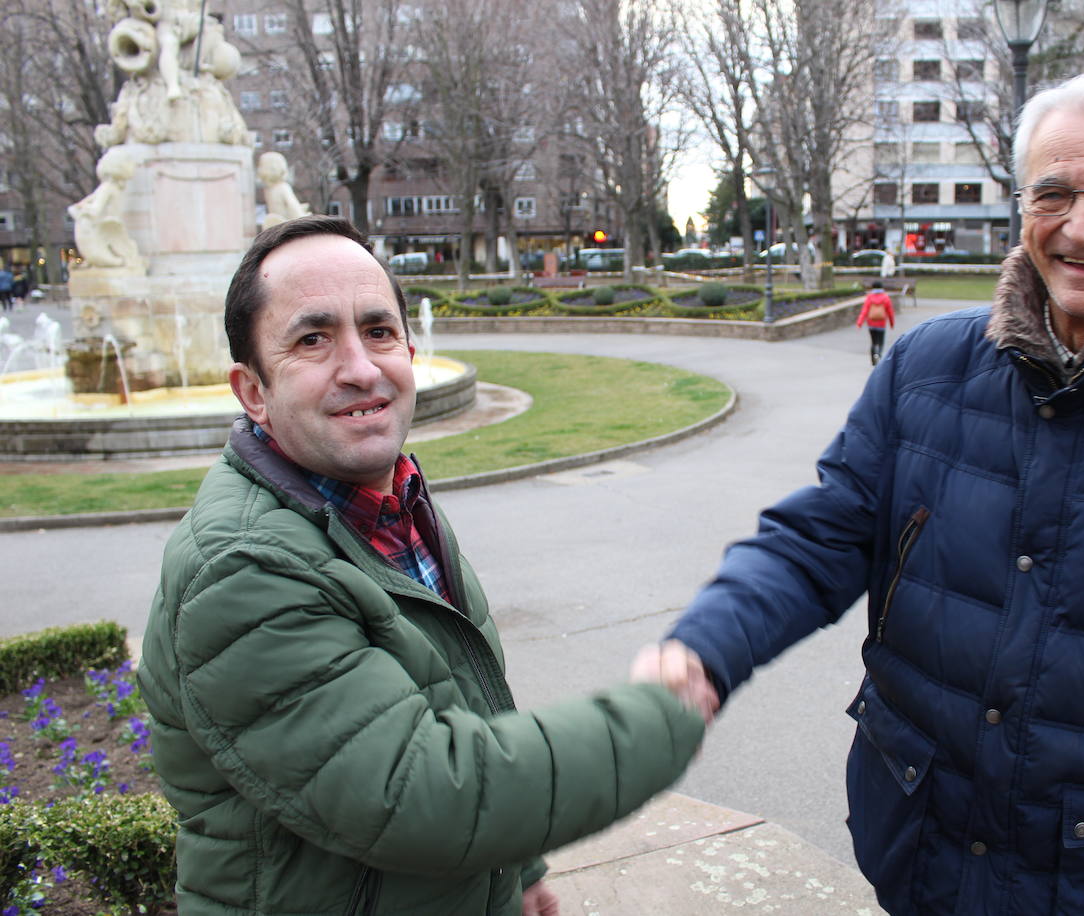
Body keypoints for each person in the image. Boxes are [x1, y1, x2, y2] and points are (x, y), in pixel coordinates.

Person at [637, 74, 1084, 914]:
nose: (1081, 225)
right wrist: (705, 648)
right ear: (1023, 208)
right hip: (926, 857)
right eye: (1053, 193)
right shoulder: (924, 370)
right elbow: (820, 540)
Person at [138, 215, 705, 915]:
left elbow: (460, 699)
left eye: (378, 331)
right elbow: (421, 792)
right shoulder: (242, 571)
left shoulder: (388, 499)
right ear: (253, 390)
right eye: (313, 339)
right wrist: (658, 719)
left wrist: (516, 871)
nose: (360, 367)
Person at [856, 280, 895, 365]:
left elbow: (864, 311)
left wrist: (859, 323)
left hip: (871, 324)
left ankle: (873, 360)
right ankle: (879, 356)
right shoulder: (885, 297)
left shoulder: (869, 297)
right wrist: (892, 323)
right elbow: (890, 312)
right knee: (880, 341)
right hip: (881, 324)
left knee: (873, 342)